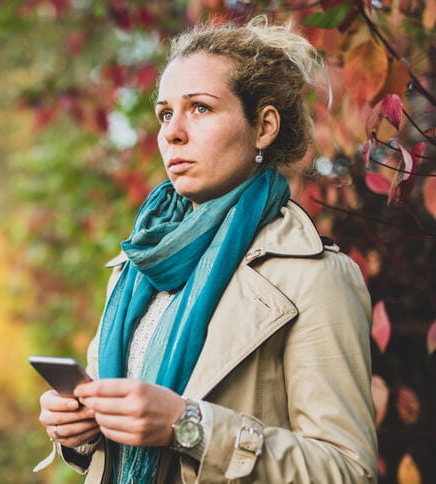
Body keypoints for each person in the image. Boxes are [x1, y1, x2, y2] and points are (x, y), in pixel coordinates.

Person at [36, 17, 377, 483]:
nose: (173, 132)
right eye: (164, 113)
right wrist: (79, 430)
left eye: (199, 108)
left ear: (264, 127)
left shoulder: (315, 277)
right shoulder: (140, 262)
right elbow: (113, 440)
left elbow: (348, 471)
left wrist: (188, 427)